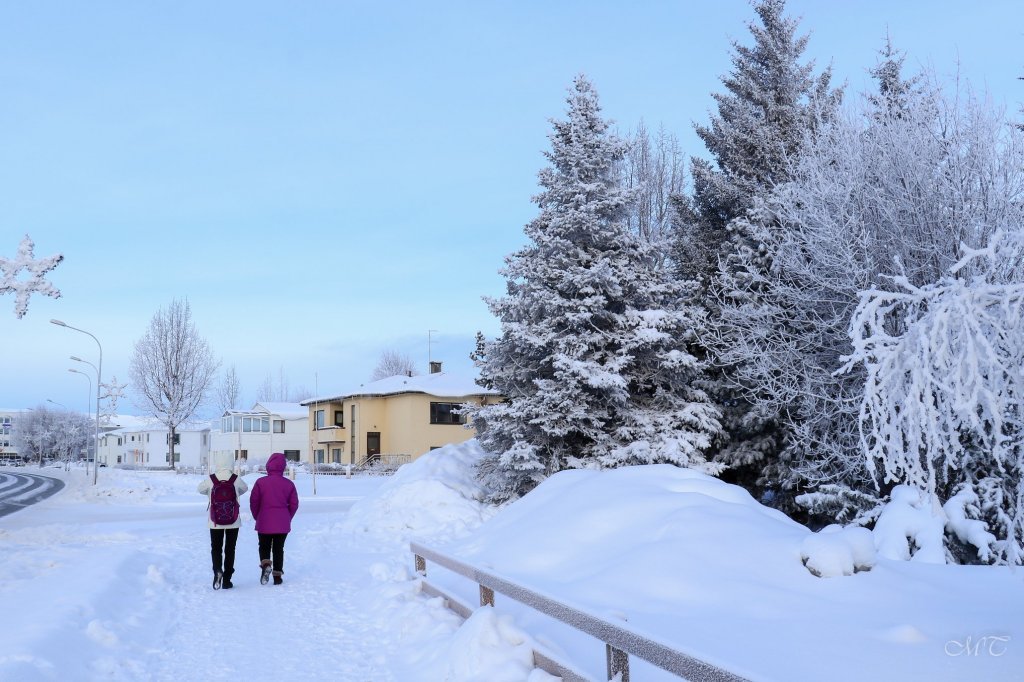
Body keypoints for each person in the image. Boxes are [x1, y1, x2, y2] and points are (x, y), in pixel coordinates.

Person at [197, 451, 248, 590]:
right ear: (231, 463)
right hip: (233, 520)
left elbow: (199, 489)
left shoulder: (212, 479)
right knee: (230, 549)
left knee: (216, 548)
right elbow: (245, 488)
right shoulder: (235, 479)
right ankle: (227, 580)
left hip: (215, 521)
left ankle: (217, 570)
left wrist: (210, 493)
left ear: (217, 463)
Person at [249, 452, 299, 585]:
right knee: (278, 548)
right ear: (283, 466)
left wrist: (257, 516)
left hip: (264, 520)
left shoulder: (260, 482)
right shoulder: (289, 484)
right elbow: (294, 504)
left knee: (264, 546)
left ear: (268, 466)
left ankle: (266, 565)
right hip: (282, 522)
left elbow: (254, 502)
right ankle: (277, 575)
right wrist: (287, 517)